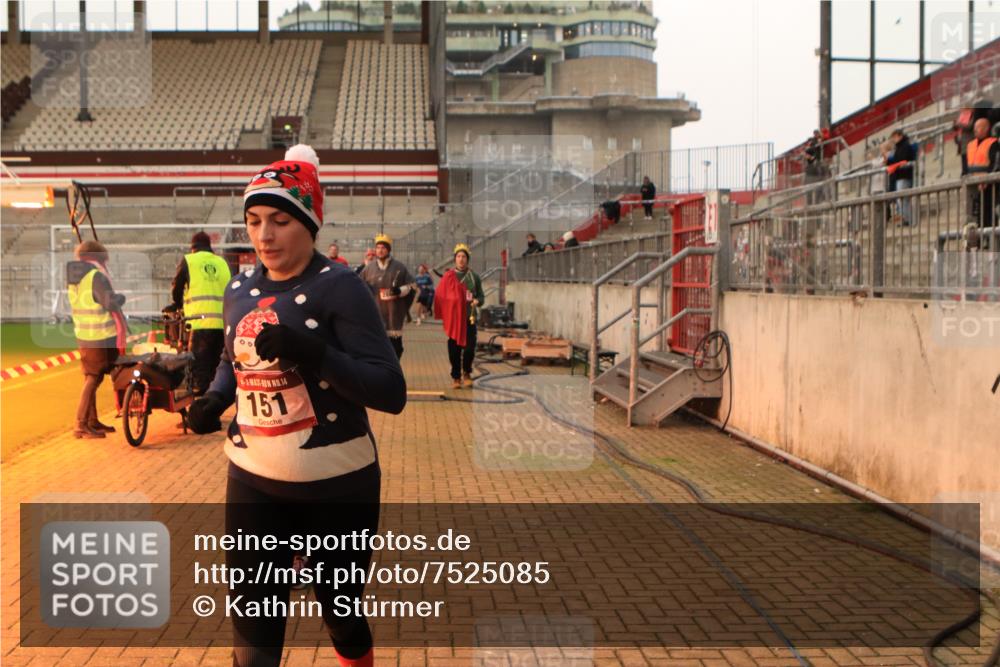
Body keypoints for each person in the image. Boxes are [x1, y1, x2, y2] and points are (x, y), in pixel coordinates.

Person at [184, 144, 406, 667]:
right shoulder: (238, 288)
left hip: (338, 484)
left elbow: (389, 391)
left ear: (310, 223)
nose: (264, 235)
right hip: (253, 481)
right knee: (254, 631)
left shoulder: (343, 289)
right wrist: (216, 396)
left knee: (342, 614)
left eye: (280, 220)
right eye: (255, 220)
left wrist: (314, 352)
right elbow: (231, 359)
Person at [67, 240, 127, 439]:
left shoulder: (76, 277)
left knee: (92, 376)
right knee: (94, 378)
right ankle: (81, 423)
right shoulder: (95, 276)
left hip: (84, 334)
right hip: (100, 335)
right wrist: (120, 298)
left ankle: (92, 421)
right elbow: (108, 303)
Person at [169, 231, 231, 395]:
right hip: (223, 325)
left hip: (200, 323)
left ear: (193, 247)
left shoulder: (189, 260)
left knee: (200, 370)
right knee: (217, 368)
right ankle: (215, 405)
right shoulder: (222, 262)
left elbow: (177, 286)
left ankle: (203, 411)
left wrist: (177, 304)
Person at [434, 243, 485, 389]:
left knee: (469, 348)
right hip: (454, 319)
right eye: (458, 256)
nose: (461, 259)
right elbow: (440, 296)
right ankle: (456, 376)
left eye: (464, 256)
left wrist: (478, 301)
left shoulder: (474, 277)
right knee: (454, 350)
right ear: (455, 259)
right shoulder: (448, 276)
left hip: (469, 317)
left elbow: (481, 296)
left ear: (467, 259)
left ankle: (467, 373)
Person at [359, 233, 416, 359]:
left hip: (394, 313)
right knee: (377, 349)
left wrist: (399, 291)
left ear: (388, 250)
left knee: (396, 349)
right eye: (378, 247)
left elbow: (412, 286)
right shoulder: (369, 268)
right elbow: (359, 287)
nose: (380, 250)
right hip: (375, 313)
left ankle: (393, 373)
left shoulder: (399, 267)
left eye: (383, 248)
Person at [962, 117, 1000, 235]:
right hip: (973, 185)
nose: (976, 130)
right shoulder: (970, 145)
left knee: (988, 212)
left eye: (979, 127)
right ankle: (979, 239)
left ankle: (990, 239)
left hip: (988, 184)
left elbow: (996, 163)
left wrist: (987, 180)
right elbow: (966, 165)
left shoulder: (993, 143)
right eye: (975, 128)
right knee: (975, 214)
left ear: (987, 128)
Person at [884, 129, 916, 226]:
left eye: (895, 137)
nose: (894, 139)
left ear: (899, 136)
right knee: (901, 200)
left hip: (904, 176)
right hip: (900, 176)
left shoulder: (905, 146)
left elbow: (902, 159)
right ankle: (905, 219)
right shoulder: (899, 147)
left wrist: (891, 158)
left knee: (903, 199)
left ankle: (908, 219)